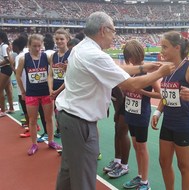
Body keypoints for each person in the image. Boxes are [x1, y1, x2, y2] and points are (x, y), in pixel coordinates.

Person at [55, 11, 175, 190]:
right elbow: (131, 84)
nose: (115, 35)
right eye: (113, 31)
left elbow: (115, 69)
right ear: (103, 30)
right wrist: (160, 73)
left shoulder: (81, 48)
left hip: (69, 118)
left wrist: (143, 67)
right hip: (80, 123)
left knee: (68, 170)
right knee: (83, 178)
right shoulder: (96, 55)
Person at [151, 31, 189, 190]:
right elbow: (166, 96)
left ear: (177, 48)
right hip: (168, 124)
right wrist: (157, 112)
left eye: (164, 47)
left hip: (184, 125)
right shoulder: (166, 69)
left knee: (184, 166)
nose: (161, 50)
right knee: (164, 162)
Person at [122, 40, 161, 190]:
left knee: (142, 147)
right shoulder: (130, 70)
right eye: (128, 57)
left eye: (131, 57)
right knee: (135, 146)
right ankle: (139, 176)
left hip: (142, 114)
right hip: (130, 112)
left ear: (138, 55)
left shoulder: (148, 72)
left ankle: (145, 182)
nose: (130, 60)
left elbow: (160, 95)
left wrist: (142, 92)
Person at [15, 34, 62, 156]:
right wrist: (23, 91)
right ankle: (34, 144)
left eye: (39, 46)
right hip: (31, 93)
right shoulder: (23, 58)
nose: (37, 49)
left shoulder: (47, 57)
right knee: (32, 120)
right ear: (29, 46)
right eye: (34, 46)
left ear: (42, 45)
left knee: (49, 119)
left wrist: (52, 88)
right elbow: (18, 75)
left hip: (46, 92)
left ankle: (51, 141)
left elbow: (53, 70)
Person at [48, 28, 71, 139]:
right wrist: (51, 89)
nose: (59, 41)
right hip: (55, 89)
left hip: (67, 89)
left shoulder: (71, 54)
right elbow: (51, 75)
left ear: (67, 39)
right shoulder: (53, 56)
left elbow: (71, 78)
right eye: (57, 39)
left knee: (66, 115)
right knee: (57, 113)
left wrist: (57, 91)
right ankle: (60, 130)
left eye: (62, 39)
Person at [104, 87, 131, 178]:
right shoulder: (106, 82)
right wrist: (107, 107)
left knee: (122, 131)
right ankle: (117, 161)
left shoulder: (116, 86)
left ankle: (124, 166)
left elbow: (121, 98)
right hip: (119, 107)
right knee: (117, 129)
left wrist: (117, 113)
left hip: (126, 106)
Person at [0, 31, 13, 117]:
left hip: (5, 69)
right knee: (8, 89)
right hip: (6, 69)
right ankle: (11, 108)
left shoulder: (3, 46)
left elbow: (7, 59)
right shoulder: (4, 45)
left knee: (0, 89)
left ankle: (3, 110)